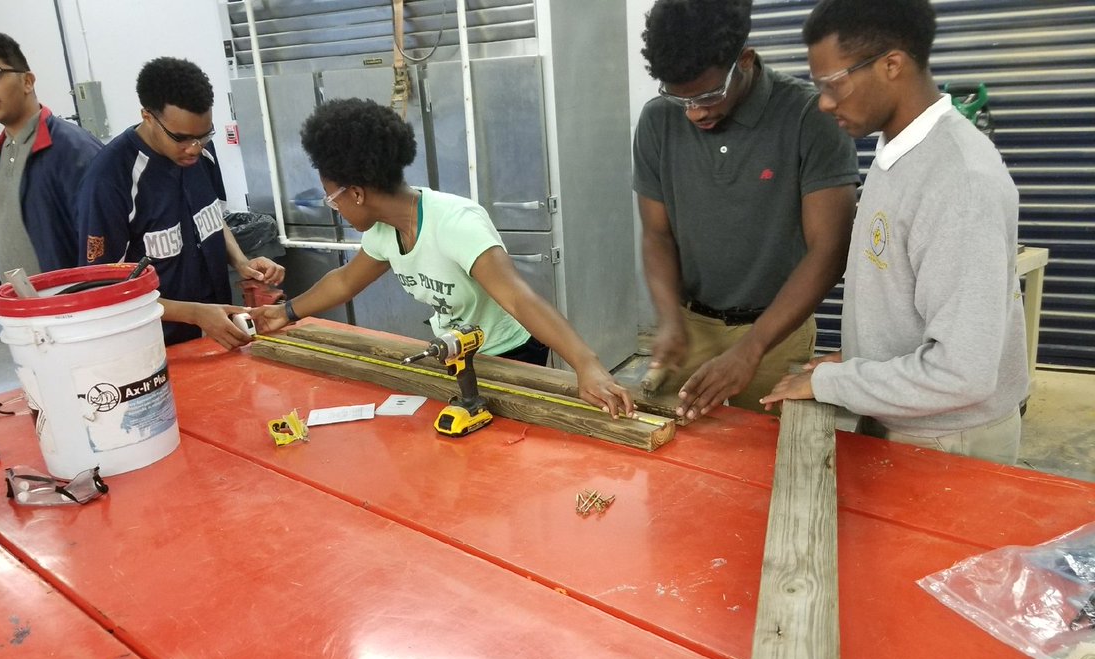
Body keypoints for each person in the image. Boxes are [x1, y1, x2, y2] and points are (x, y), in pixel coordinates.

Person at [761, 0, 1028, 464]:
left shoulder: (960, 181)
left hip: (949, 442)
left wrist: (835, 382)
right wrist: (856, 359)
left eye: (833, 84)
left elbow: (962, 373)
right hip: (906, 419)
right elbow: (908, 295)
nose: (824, 103)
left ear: (891, 65)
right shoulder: (898, 152)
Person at [250, 98, 633, 417]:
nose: (334, 209)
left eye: (332, 198)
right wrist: (285, 313)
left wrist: (587, 365)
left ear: (357, 193)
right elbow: (346, 281)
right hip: (456, 354)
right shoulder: (386, 231)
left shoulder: (455, 223)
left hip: (511, 354)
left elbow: (519, 297)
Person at [634, 0, 859, 421]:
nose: (695, 112)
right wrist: (668, 319)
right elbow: (657, 235)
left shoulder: (810, 118)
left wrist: (752, 348)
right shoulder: (657, 121)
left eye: (707, 95)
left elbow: (829, 249)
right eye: (680, 98)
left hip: (775, 338)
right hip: (691, 332)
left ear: (745, 60)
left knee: (763, 465)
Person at [77, 57, 283, 349]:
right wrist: (194, 314)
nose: (195, 148)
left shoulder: (201, 153)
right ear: (148, 116)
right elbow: (102, 289)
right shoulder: (110, 180)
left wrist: (242, 262)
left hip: (218, 332)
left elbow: (212, 218)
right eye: (182, 138)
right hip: (157, 348)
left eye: (204, 135)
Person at [0, 31, 103, 315]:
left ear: (28, 81)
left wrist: (87, 305)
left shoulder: (72, 151)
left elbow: (101, 240)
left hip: (72, 312)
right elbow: (2, 235)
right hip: (22, 315)